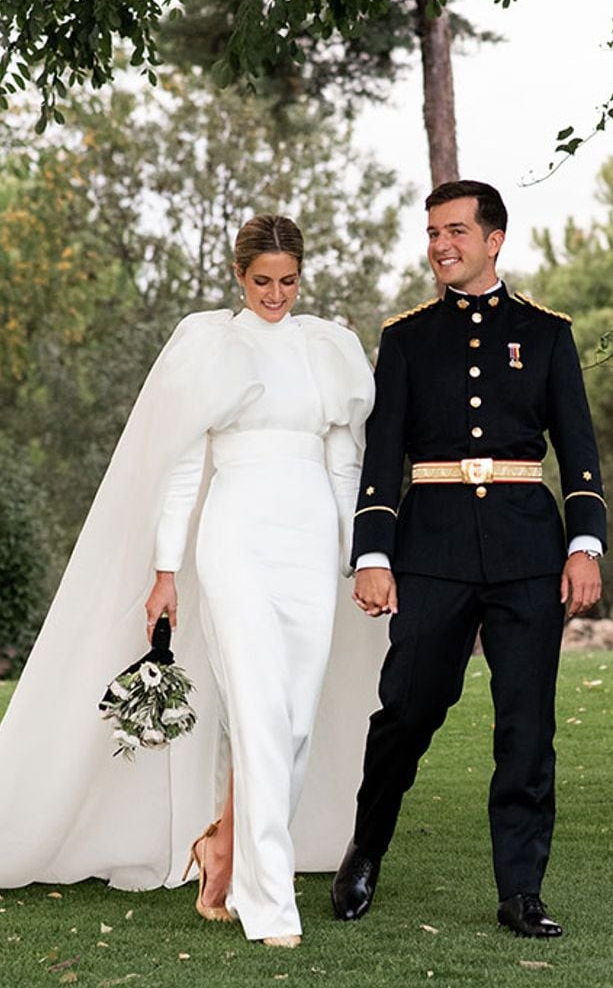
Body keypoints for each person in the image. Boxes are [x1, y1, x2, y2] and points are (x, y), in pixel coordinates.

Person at [0, 215, 385, 948]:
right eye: (262, 281)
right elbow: (182, 467)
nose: (276, 294)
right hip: (235, 532)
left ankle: (223, 846)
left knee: (295, 718)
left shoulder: (329, 348)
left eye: (288, 281)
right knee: (259, 709)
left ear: (302, 277)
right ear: (239, 277)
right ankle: (268, 906)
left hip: (309, 540)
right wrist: (165, 570)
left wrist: (357, 555)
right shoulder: (210, 343)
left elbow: (345, 464)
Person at [332, 180, 606, 939]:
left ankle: (521, 889)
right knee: (408, 709)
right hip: (432, 549)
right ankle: (366, 847)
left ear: (494, 240)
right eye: (431, 233)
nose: (440, 245)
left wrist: (585, 545)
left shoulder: (547, 333)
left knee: (527, 724)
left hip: (527, 551)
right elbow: (382, 459)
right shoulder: (409, 338)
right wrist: (373, 554)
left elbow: (578, 452)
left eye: (455, 231)